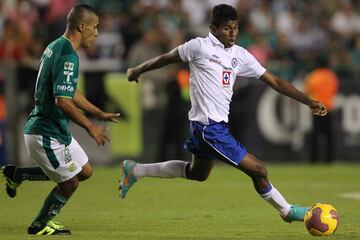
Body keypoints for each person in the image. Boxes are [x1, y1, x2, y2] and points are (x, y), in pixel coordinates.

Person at [120, 4, 327, 225]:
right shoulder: (198, 47)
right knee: (259, 170)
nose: (233, 33)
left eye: (236, 28)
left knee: (197, 173)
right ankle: (287, 211)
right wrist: (137, 69)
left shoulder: (239, 55)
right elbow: (166, 57)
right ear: (213, 28)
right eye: (227, 28)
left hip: (214, 127)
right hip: (208, 128)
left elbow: (274, 81)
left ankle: (136, 170)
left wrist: (307, 100)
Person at [1, 4, 120, 235]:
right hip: (45, 133)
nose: (96, 33)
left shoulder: (56, 46)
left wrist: (97, 112)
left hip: (55, 130)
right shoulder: (68, 56)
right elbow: (62, 101)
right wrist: (90, 127)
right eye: (95, 28)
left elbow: (69, 91)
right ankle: (40, 224)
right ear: (81, 26)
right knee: (70, 183)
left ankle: (17, 174)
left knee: (84, 171)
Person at [305, 57, 339, 163]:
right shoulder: (332, 76)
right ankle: (329, 159)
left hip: (317, 109)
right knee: (329, 135)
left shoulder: (313, 76)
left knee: (315, 135)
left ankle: (313, 159)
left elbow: (308, 91)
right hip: (329, 108)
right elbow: (334, 91)